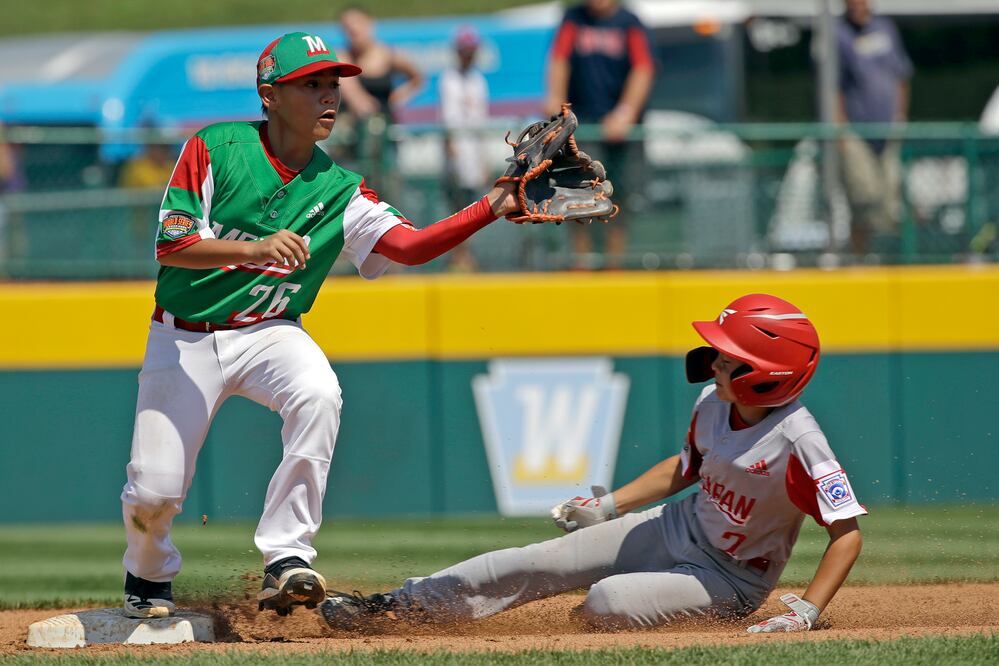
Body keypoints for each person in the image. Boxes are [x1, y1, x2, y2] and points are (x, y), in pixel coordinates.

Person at [119, 31, 519, 619]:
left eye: (334, 84)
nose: (330, 95)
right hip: (185, 337)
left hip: (270, 330)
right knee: (153, 494)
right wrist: (255, 250)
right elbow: (172, 245)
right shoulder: (215, 148)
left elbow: (407, 246)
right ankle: (147, 577)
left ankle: (286, 556)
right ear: (270, 95)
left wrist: (491, 205)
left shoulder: (341, 189)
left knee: (318, 392)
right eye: (312, 84)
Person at [318, 294, 866, 633]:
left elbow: (847, 534)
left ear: (768, 373)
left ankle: (591, 626)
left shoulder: (798, 440)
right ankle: (390, 607)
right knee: (534, 561)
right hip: (678, 526)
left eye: (731, 356)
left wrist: (808, 609)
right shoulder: (713, 402)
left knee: (607, 603)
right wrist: (608, 505)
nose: (716, 361)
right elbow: (685, 469)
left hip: (731, 577)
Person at [546, 0, 655, 270]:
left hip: (621, 133)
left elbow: (643, 68)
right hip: (583, 128)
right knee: (575, 197)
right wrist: (557, 105)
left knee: (619, 198)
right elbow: (558, 61)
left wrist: (625, 112)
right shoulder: (573, 18)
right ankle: (581, 263)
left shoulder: (629, 22)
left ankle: (613, 265)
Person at [835, 0, 913, 257]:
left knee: (892, 202)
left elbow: (902, 75)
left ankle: (897, 260)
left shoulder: (885, 28)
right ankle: (860, 260)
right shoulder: (838, 34)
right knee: (863, 199)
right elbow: (832, 88)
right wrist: (841, 129)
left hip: (889, 129)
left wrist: (900, 116)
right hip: (856, 132)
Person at [337, 5, 424, 193]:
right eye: (347, 28)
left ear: (369, 25)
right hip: (355, 138)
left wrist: (399, 96)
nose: (353, 31)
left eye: (357, 25)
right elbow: (359, 101)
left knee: (388, 188)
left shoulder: (388, 54)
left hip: (386, 135)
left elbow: (417, 77)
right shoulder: (342, 58)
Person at [439, 27, 490, 272]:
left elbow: (481, 120)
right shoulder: (449, 78)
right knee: (456, 206)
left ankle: (465, 254)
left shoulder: (478, 80)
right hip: (458, 148)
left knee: (471, 206)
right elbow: (448, 118)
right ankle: (458, 256)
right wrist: (452, 150)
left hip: (473, 149)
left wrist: (483, 159)